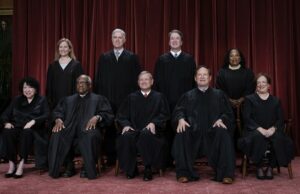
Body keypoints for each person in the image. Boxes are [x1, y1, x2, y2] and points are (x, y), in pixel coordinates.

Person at [172, 66, 236, 184]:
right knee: (182, 132)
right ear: (195, 78)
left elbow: (228, 113)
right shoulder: (187, 95)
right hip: (193, 133)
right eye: (199, 75)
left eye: (205, 75)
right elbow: (178, 110)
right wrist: (180, 119)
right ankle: (184, 173)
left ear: (210, 78)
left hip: (213, 132)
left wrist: (222, 119)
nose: (202, 77)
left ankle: (226, 174)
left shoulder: (219, 95)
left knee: (223, 132)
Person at [48, 75, 114, 180]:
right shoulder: (68, 100)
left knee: (91, 135)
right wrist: (58, 119)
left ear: (90, 85)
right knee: (58, 134)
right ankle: (68, 166)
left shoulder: (98, 99)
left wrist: (97, 117)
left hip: (88, 129)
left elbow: (108, 115)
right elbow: (57, 112)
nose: (80, 84)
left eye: (83, 82)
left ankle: (87, 167)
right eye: (78, 82)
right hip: (69, 128)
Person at [94, 28, 141, 165]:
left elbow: (137, 81)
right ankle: (111, 157)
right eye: (115, 37)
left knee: (125, 128)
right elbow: (99, 80)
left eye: (120, 37)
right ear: (111, 39)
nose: (117, 39)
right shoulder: (104, 57)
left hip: (126, 100)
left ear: (125, 40)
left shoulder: (132, 57)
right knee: (109, 129)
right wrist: (100, 100)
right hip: (107, 100)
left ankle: (125, 158)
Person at [238, 73, 294, 180]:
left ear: (269, 85)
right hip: (254, 129)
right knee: (258, 136)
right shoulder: (249, 99)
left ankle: (270, 167)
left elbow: (280, 119)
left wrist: (273, 129)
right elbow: (247, 118)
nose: (260, 84)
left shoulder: (276, 101)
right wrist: (260, 129)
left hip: (272, 129)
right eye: (258, 82)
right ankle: (259, 166)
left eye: (263, 82)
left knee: (278, 138)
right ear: (256, 85)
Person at [116, 71, 170, 181]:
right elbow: (121, 115)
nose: (144, 82)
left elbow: (165, 114)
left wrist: (154, 122)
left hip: (152, 132)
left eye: (146, 79)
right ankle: (131, 169)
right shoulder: (131, 97)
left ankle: (148, 168)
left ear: (152, 81)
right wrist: (126, 125)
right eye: (141, 79)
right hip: (134, 129)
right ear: (138, 82)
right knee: (126, 136)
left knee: (146, 134)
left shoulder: (159, 97)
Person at [154, 29, 196, 166]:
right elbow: (157, 83)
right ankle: (166, 160)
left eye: (177, 38)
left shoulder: (189, 59)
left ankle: (182, 159)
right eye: (172, 38)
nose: (174, 40)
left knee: (182, 130)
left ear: (181, 41)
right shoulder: (162, 60)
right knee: (166, 131)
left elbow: (193, 83)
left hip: (184, 102)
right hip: (166, 101)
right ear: (169, 41)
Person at [0, 77, 49, 178]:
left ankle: (21, 165)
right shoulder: (17, 100)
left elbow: (47, 114)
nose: (27, 90)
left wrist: (34, 121)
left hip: (34, 129)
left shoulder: (41, 99)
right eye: (25, 87)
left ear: (35, 89)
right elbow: (5, 114)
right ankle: (12, 164)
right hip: (17, 126)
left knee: (26, 133)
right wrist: (6, 123)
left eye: (30, 87)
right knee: (7, 132)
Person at [216, 48, 255, 138]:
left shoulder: (248, 72)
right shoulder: (222, 72)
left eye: (237, 55)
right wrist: (229, 100)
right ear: (228, 58)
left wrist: (241, 99)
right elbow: (220, 89)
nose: (234, 57)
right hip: (226, 106)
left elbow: (250, 88)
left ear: (240, 58)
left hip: (244, 105)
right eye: (231, 55)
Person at [46, 38, 84, 109]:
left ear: (70, 49)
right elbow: (49, 86)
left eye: (65, 47)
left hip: (72, 103)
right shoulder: (52, 65)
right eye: (61, 47)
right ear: (58, 49)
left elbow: (80, 85)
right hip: (55, 103)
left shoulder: (76, 65)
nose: (63, 49)